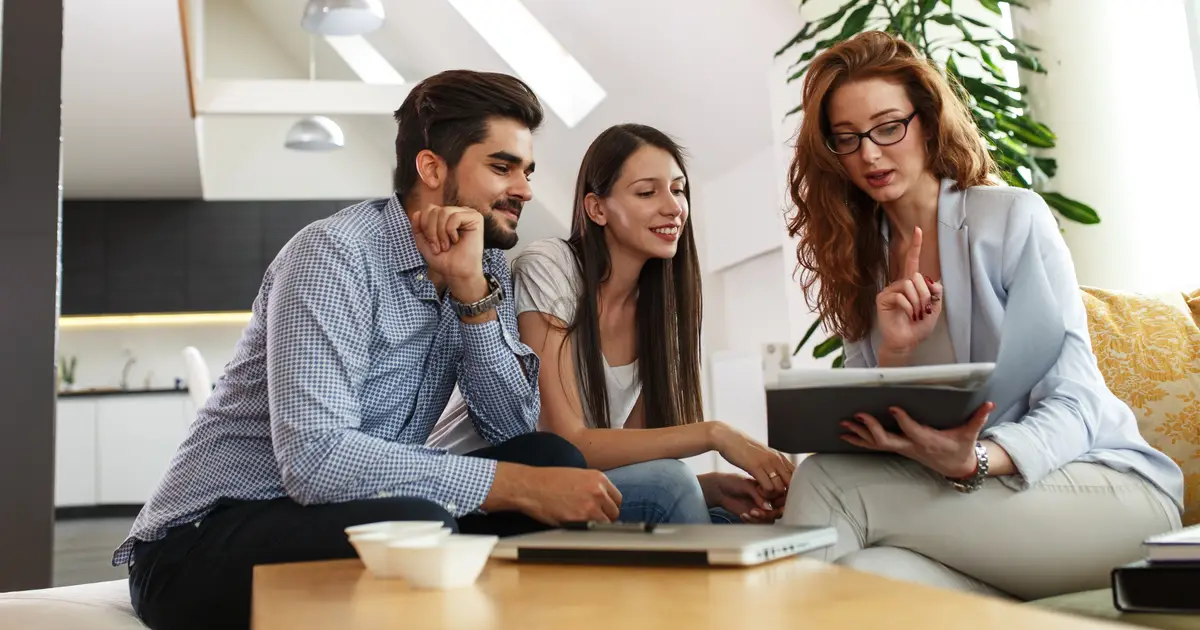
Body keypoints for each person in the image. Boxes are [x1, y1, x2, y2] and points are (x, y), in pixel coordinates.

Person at [116, 70, 625, 630]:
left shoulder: (484, 264)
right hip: (198, 541)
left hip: (341, 511)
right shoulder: (334, 256)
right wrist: (514, 486)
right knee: (421, 524)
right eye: (502, 167)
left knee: (551, 460)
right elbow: (314, 460)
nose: (526, 189)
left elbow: (511, 429)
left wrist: (472, 297)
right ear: (431, 168)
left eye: (526, 171)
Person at [778, 31, 1185, 601]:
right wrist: (893, 355)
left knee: (825, 480)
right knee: (869, 577)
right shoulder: (859, 261)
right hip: (979, 516)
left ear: (926, 122)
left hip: (1101, 492)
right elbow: (880, 433)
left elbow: (1079, 401)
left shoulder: (1010, 219)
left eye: (887, 127)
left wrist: (977, 460)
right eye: (847, 139)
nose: (869, 153)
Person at [504, 123, 794, 524]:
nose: (674, 207)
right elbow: (568, 444)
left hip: (593, 489)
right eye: (647, 192)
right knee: (673, 484)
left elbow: (638, 455)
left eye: (678, 189)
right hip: (523, 486)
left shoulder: (659, 309)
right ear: (597, 209)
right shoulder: (551, 266)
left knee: (741, 516)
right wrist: (715, 433)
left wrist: (712, 487)